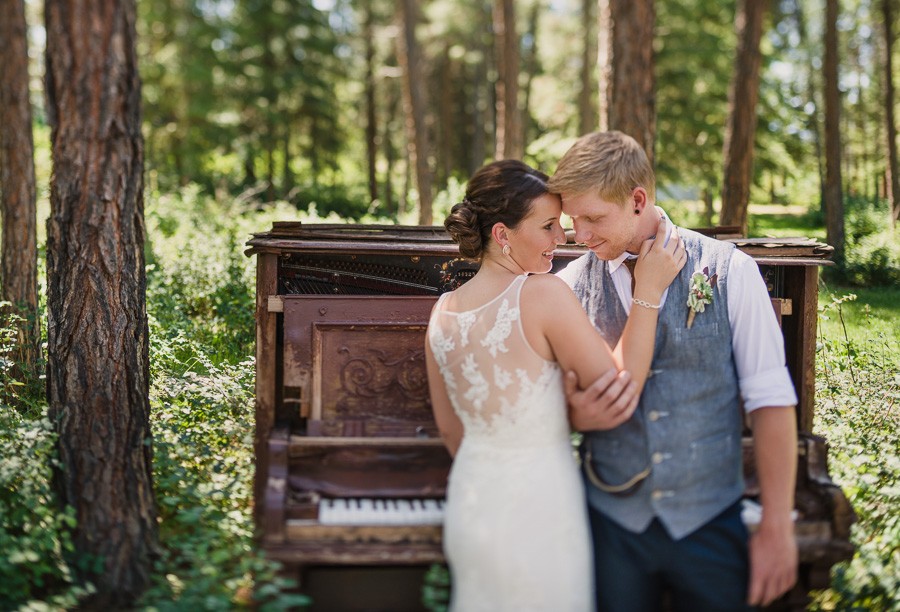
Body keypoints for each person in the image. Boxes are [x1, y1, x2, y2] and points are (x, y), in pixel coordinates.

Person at [547, 130, 799, 611]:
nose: (580, 235)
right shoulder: (568, 286)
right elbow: (553, 400)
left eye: (593, 217)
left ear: (638, 199)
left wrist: (776, 525)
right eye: (572, 219)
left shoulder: (730, 272)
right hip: (610, 527)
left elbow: (770, 401)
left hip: (709, 523)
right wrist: (571, 412)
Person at [424, 159, 686, 611]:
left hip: (472, 502)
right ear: (502, 234)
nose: (562, 239)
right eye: (548, 226)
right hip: (539, 508)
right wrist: (649, 290)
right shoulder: (542, 294)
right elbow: (619, 387)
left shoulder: (442, 311)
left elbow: (452, 433)